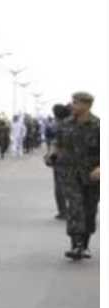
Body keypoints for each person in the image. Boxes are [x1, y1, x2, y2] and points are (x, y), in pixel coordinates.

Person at [51, 92, 100, 260]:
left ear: (87, 105)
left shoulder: (98, 125)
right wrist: (52, 154)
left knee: (89, 209)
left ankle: (85, 244)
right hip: (70, 173)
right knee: (74, 206)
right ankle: (75, 245)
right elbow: (57, 143)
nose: (72, 105)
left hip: (92, 175)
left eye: (75, 102)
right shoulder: (65, 124)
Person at [44, 103, 71, 220]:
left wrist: (49, 156)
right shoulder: (70, 123)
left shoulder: (57, 125)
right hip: (69, 159)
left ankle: (63, 211)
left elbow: (53, 143)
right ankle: (69, 210)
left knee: (60, 185)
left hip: (61, 160)